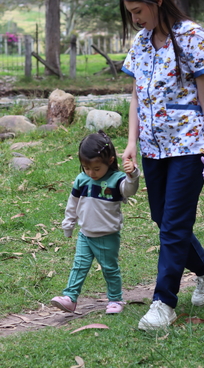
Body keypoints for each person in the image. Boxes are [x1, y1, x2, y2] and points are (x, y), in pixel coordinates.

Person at [120, 0, 204, 330]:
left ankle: (164, 302)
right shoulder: (140, 42)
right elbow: (136, 95)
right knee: (163, 220)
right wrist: (132, 141)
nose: (135, 19)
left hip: (188, 144)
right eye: (130, 13)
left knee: (174, 226)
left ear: (156, 1)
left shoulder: (192, 35)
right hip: (152, 148)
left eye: (138, 11)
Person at [51, 130, 140, 315]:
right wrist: (68, 224)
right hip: (85, 234)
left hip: (107, 235)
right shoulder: (81, 180)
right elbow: (73, 203)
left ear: (110, 161)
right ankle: (70, 298)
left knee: (109, 268)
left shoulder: (117, 180)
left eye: (96, 168)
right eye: (86, 167)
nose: (91, 173)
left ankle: (115, 299)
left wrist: (132, 176)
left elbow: (130, 190)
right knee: (79, 266)